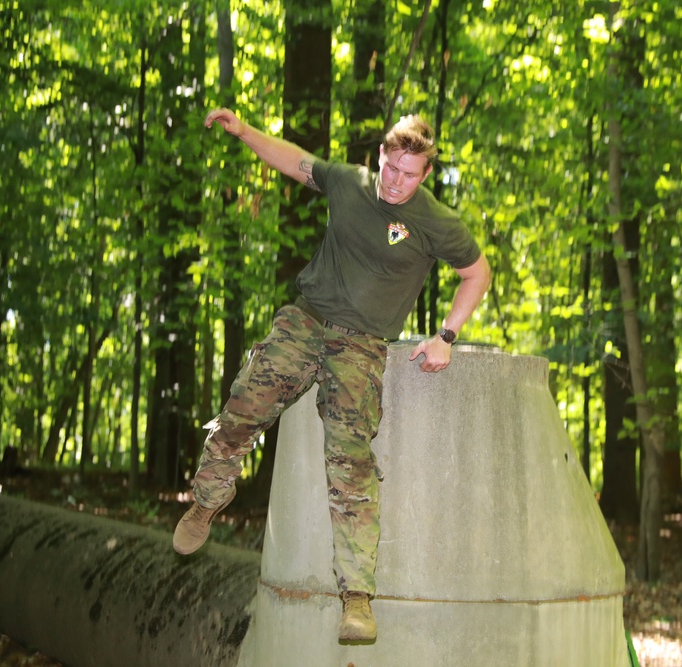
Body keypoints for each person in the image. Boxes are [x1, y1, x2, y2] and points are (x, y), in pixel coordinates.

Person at [172, 108, 491, 643]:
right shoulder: (351, 183)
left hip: (361, 344)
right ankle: (206, 500)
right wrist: (245, 131)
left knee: (350, 459)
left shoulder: (437, 221)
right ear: (382, 156)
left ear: (425, 174)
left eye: (409, 174)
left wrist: (447, 336)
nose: (396, 181)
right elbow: (294, 162)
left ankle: (357, 598)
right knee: (243, 405)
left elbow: (477, 273)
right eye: (391, 167)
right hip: (306, 320)